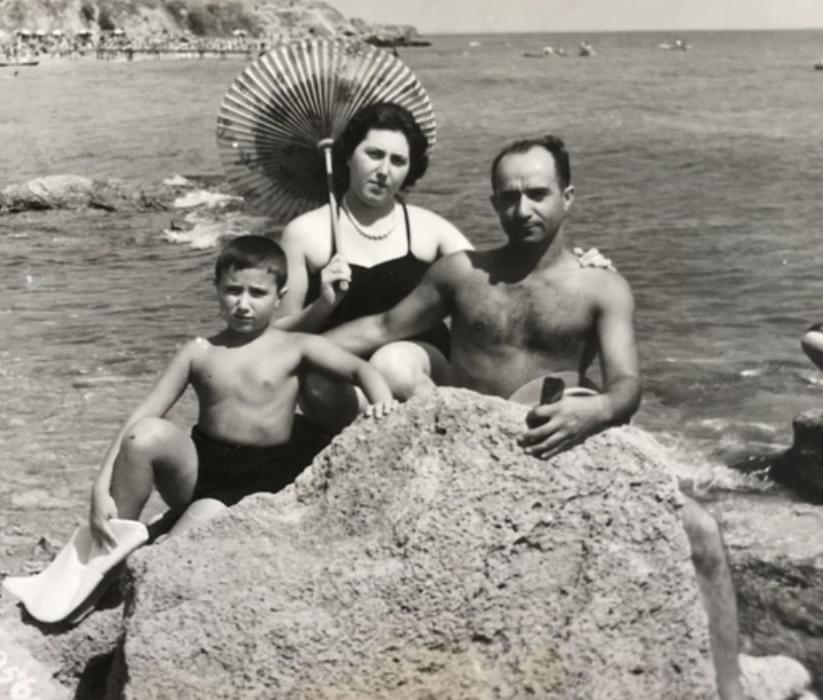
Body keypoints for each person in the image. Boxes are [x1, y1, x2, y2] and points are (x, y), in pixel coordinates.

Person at [324, 136, 745, 699]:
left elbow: (627, 384)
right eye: (508, 197)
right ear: (494, 203)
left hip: (564, 441)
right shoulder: (462, 274)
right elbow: (381, 328)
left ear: (567, 197)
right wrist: (288, 346)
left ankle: (731, 689)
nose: (522, 209)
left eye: (538, 194)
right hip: (478, 452)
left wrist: (599, 408)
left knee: (704, 533)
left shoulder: (601, 287)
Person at [277, 102, 609, 432]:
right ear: (349, 156)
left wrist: (576, 270)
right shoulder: (305, 234)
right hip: (343, 371)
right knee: (317, 385)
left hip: (418, 366)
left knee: (393, 363)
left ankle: (456, 433)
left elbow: (499, 284)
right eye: (374, 154)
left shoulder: (429, 229)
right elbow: (279, 338)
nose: (384, 171)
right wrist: (323, 305)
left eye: (398, 161)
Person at [89, 235, 396, 549]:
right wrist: (100, 488)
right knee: (143, 435)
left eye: (258, 293)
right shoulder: (199, 351)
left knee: (180, 547)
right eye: (233, 290)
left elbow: (362, 370)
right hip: (201, 469)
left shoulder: (296, 346)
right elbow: (144, 413)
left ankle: (171, 536)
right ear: (217, 289)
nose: (244, 304)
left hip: (261, 476)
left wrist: (383, 404)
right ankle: (110, 541)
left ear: (279, 297)